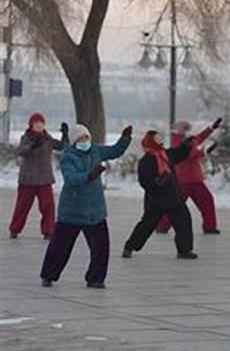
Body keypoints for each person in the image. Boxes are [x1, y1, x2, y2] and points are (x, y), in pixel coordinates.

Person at [40, 124, 132, 288]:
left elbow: (114, 151)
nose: (85, 141)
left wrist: (124, 139)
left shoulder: (96, 151)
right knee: (60, 247)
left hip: (95, 211)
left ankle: (95, 278)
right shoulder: (68, 156)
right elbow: (71, 178)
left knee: (101, 247)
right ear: (74, 141)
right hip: (72, 211)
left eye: (86, 137)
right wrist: (90, 175)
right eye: (81, 138)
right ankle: (48, 274)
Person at [122, 130, 198, 260]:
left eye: (159, 137)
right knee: (147, 224)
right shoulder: (146, 161)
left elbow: (179, 154)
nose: (160, 140)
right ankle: (130, 246)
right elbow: (145, 181)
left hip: (173, 197)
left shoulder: (166, 154)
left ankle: (184, 250)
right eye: (156, 138)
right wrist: (157, 183)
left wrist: (185, 145)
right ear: (150, 141)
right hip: (156, 199)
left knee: (184, 222)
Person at [155, 119, 222, 235]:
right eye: (186, 129)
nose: (188, 131)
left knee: (207, 201)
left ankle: (209, 226)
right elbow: (187, 155)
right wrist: (205, 151)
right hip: (183, 181)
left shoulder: (189, 140)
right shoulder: (176, 142)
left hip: (196, 180)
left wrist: (211, 128)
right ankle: (162, 225)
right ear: (180, 130)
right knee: (175, 205)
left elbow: (199, 138)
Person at [9, 112, 69, 239]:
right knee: (22, 206)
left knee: (48, 207)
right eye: (36, 123)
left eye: (41, 123)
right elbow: (20, 151)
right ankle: (15, 229)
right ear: (31, 125)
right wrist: (32, 145)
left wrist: (65, 135)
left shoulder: (47, 138)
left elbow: (62, 146)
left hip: (44, 179)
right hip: (28, 179)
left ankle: (49, 230)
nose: (39, 125)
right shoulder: (26, 137)